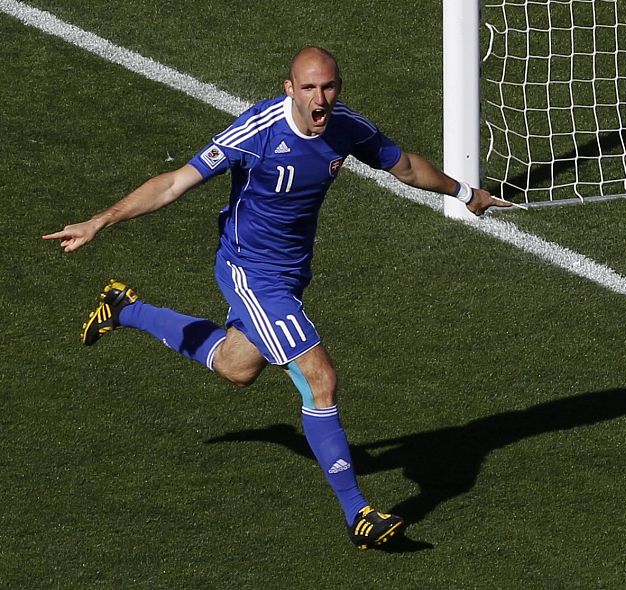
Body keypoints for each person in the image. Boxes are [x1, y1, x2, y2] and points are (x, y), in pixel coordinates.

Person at [43, 46, 511, 550]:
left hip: (290, 275)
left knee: (237, 367)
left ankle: (124, 308)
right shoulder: (258, 131)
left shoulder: (346, 127)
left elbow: (406, 167)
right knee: (320, 379)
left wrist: (466, 194)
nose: (320, 98)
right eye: (308, 87)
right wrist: (101, 220)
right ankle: (359, 514)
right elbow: (175, 183)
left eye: (329, 87)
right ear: (289, 88)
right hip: (251, 274)